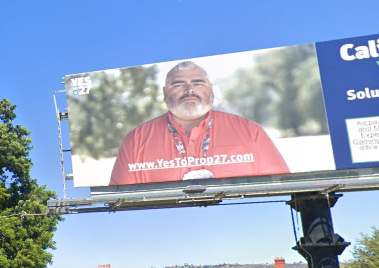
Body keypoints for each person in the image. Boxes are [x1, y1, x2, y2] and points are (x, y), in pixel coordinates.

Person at [108, 61, 288, 185]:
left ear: (210, 88)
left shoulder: (251, 132)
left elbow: (282, 189)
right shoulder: (135, 141)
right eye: (178, 85)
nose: (189, 90)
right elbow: (119, 202)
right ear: (164, 92)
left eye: (198, 83)